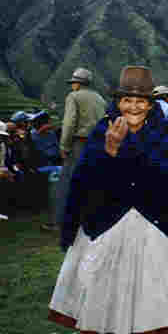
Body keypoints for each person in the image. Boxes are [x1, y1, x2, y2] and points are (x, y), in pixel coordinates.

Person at [49, 65, 168, 334]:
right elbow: (84, 181)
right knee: (114, 293)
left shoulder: (162, 136)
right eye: (127, 100)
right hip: (110, 224)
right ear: (118, 102)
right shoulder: (102, 131)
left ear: (150, 104)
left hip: (153, 226)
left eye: (141, 101)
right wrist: (110, 149)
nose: (133, 107)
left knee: (150, 297)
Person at [58, 67, 107, 229]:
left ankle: (65, 221)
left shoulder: (74, 97)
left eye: (73, 83)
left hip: (80, 143)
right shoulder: (100, 99)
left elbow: (69, 122)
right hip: (98, 143)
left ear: (78, 84)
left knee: (69, 180)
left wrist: (64, 145)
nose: (72, 86)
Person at [29, 110, 63, 229]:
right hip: (40, 166)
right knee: (58, 172)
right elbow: (34, 155)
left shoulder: (51, 134)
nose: (50, 125)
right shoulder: (33, 136)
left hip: (54, 164)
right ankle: (54, 217)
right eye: (48, 123)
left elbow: (57, 151)